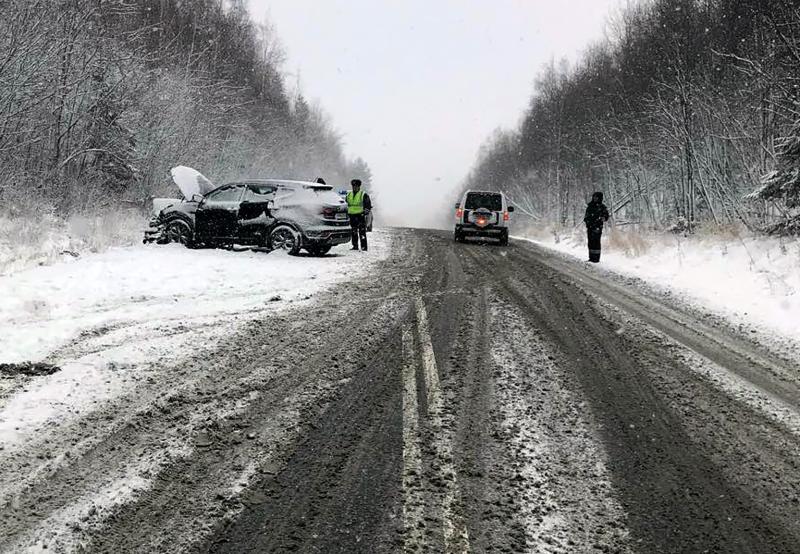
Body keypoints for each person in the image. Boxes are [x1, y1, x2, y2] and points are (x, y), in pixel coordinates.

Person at [583, 191, 610, 263]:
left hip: (597, 227)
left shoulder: (602, 207)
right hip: (590, 227)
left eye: (596, 197)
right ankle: (591, 257)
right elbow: (586, 216)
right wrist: (587, 221)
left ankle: (596, 258)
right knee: (590, 242)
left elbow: (606, 216)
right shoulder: (590, 206)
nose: (595, 198)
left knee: (596, 242)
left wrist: (602, 218)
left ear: (600, 198)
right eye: (594, 197)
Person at [346, 179, 372, 251]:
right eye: (353, 186)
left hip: (360, 215)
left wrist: (365, 212)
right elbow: (346, 204)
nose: (354, 187)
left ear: (359, 186)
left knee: (362, 232)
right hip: (351, 216)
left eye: (356, 186)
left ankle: (364, 247)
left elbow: (368, 205)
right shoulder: (349, 194)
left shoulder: (363, 194)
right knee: (353, 232)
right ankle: (355, 246)